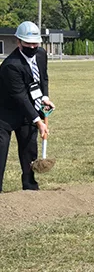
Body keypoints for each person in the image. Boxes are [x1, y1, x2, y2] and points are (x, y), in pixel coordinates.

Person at [0, 21, 54, 192]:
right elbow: (20, 96)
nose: (32, 47)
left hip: (27, 111)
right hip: (4, 113)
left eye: (35, 43)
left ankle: (30, 185)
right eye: (28, 43)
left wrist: (44, 97)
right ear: (18, 42)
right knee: (1, 150)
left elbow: (43, 77)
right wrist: (38, 121)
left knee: (29, 148)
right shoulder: (11, 65)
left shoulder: (41, 54)